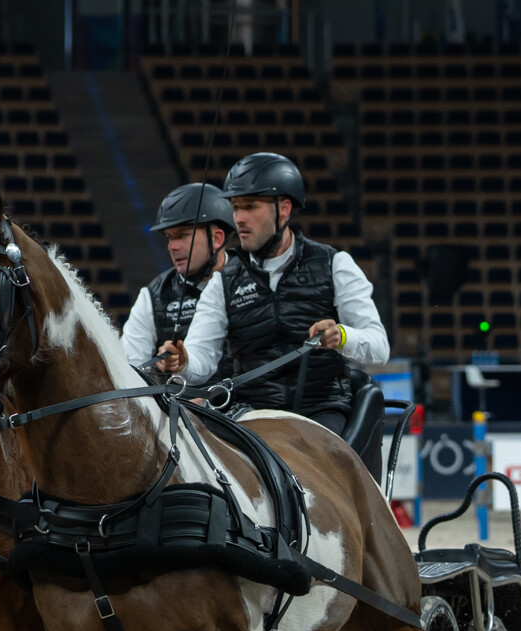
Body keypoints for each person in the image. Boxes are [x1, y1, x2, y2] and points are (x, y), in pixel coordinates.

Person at [156, 152, 391, 472]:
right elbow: (202, 358)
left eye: (250, 206)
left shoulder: (335, 264)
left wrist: (342, 335)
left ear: (284, 209)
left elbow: (379, 347)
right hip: (251, 413)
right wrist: (183, 362)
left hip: (321, 412)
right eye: (235, 207)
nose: (239, 218)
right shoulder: (223, 281)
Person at [121, 183, 235, 371]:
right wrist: (159, 369)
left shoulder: (251, 278)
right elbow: (129, 368)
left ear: (217, 239)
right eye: (169, 237)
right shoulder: (153, 296)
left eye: (182, 235)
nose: (172, 247)